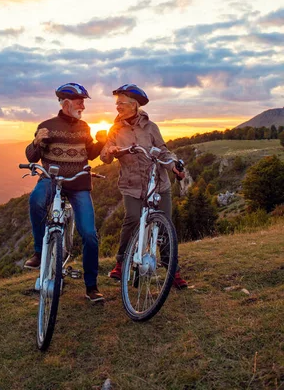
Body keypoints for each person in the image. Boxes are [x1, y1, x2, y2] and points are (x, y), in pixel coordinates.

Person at [24, 82, 107, 303]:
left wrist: (101, 142)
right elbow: (31, 157)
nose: (83, 107)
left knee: (89, 235)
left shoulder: (84, 127)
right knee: (36, 201)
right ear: (67, 103)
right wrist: (36, 142)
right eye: (81, 102)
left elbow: (89, 154)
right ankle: (40, 251)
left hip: (79, 182)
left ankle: (91, 286)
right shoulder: (46, 126)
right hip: (51, 180)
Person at [100, 84, 188, 289]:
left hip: (158, 184)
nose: (117, 107)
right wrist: (111, 150)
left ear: (133, 105)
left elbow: (163, 152)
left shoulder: (151, 127)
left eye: (121, 103)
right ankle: (122, 263)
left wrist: (174, 166)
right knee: (131, 218)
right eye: (117, 103)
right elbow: (104, 156)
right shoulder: (115, 130)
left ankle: (172, 269)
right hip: (131, 186)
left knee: (165, 225)